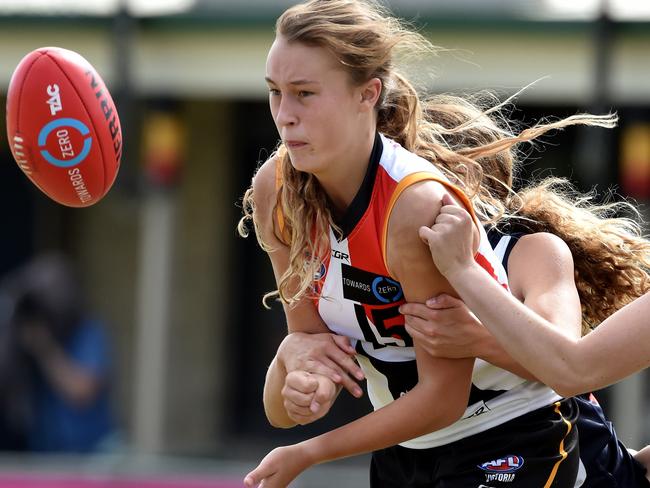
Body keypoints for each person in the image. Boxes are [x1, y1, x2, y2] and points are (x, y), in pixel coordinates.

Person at [238, 1, 619, 486]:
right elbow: (289, 393)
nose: (284, 116)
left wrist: (311, 452)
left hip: (512, 433)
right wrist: (296, 376)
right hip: (406, 451)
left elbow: (445, 397)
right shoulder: (278, 191)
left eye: (305, 94)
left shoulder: (416, 207)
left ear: (368, 95)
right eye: (275, 93)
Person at [0, 253, 116, 452]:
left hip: (92, 454)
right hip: (44, 453)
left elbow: (83, 392)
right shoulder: (23, 331)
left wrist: (44, 348)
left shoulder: (87, 331)